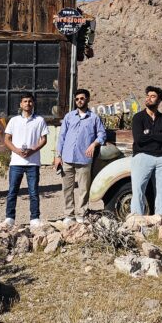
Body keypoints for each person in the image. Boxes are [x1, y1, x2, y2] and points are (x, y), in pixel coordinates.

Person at [54, 88, 106, 224]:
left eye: (82, 98)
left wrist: (93, 144)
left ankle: (81, 214)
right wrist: (58, 156)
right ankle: (69, 215)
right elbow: (62, 137)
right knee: (67, 188)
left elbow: (102, 134)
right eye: (77, 99)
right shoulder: (69, 116)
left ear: (87, 99)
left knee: (83, 188)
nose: (79, 101)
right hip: (67, 158)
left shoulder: (94, 118)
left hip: (84, 158)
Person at [2, 93, 49, 228]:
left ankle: (35, 218)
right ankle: (9, 218)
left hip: (32, 162)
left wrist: (32, 150)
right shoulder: (14, 120)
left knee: (33, 192)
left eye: (30, 101)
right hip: (16, 163)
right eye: (25, 101)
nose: (27, 104)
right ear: (20, 104)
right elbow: (7, 139)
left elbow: (44, 139)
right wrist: (17, 151)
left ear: (33, 103)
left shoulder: (39, 120)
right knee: (12, 191)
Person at [130, 86, 162, 222]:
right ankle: (137, 220)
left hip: (161, 159)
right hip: (142, 157)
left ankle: (161, 219)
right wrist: (157, 135)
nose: (148, 98)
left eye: (152, 96)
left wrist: (149, 133)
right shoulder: (138, 118)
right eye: (147, 96)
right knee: (138, 190)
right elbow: (139, 139)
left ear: (159, 100)